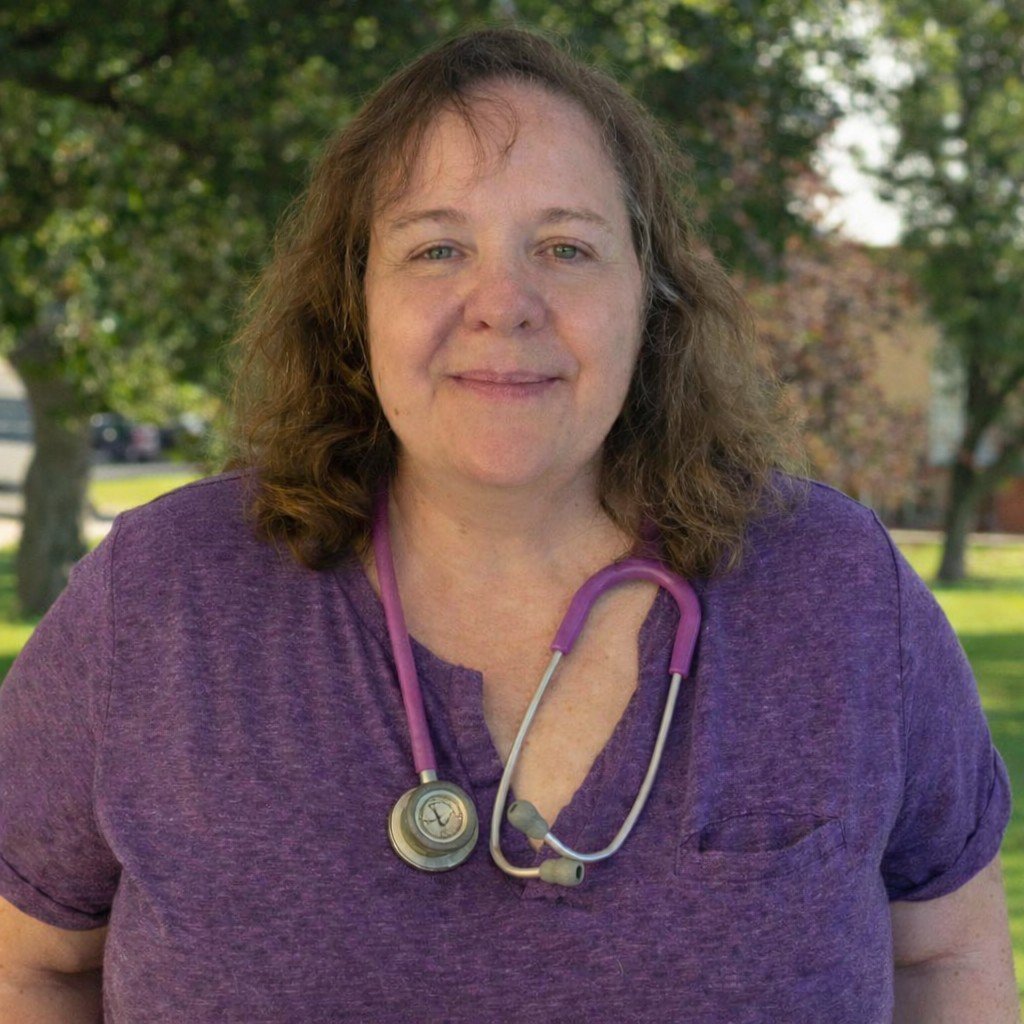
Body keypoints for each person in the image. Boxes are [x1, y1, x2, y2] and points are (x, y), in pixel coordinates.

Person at [0, 26, 1016, 1024]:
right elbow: (27, 970)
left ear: (650, 296)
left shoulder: (836, 592)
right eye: (436, 246)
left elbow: (947, 954)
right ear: (355, 300)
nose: (504, 303)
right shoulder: (162, 597)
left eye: (565, 247)